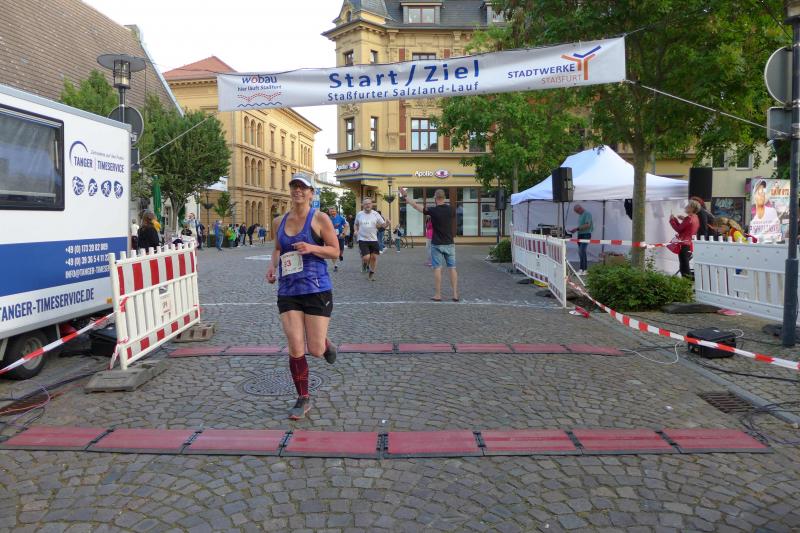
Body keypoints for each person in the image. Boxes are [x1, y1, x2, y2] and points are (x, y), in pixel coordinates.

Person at [266, 174, 339, 420]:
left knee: (315, 349)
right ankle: (303, 397)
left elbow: (335, 251)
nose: (298, 190)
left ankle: (326, 345)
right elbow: (278, 249)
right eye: (294, 186)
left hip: (316, 288)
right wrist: (272, 266)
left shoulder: (319, 218)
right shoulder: (279, 221)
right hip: (288, 291)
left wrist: (312, 248)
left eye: (303, 187)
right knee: (296, 345)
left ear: (311, 193)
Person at [400, 188, 460, 301]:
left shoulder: (433, 211)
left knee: (437, 268)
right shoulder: (452, 210)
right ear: (445, 198)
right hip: (449, 243)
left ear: (435, 198)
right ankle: (455, 294)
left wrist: (405, 196)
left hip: (437, 243)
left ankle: (438, 295)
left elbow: (415, 206)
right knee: (452, 268)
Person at [354, 198, 387, 281]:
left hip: (373, 239)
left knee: (374, 257)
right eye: (365, 204)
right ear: (363, 205)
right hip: (362, 239)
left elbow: (383, 225)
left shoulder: (376, 214)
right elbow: (356, 224)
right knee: (366, 257)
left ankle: (371, 274)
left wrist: (387, 223)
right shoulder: (359, 214)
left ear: (371, 204)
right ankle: (365, 264)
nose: (367, 205)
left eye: (369, 203)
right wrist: (355, 231)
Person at [669, 199, 701, 279]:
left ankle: (687, 282)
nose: (686, 207)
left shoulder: (688, 218)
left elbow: (679, 229)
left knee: (684, 266)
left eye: (688, 206)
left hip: (684, 244)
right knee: (685, 265)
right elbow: (684, 228)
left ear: (692, 208)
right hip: (690, 244)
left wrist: (672, 220)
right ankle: (687, 281)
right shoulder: (695, 217)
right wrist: (678, 220)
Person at [569, 204, 593, 275]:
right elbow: (581, 226)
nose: (577, 213)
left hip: (586, 234)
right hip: (580, 235)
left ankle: (584, 269)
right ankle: (581, 269)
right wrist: (576, 230)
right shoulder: (581, 215)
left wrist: (577, 229)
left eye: (577, 211)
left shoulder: (587, 214)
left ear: (580, 208)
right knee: (581, 252)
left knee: (582, 251)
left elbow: (587, 225)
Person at [328, 206, 349, 272]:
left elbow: (346, 225)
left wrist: (343, 233)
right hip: (331, 237)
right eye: (331, 211)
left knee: (341, 249)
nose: (332, 212)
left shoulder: (341, 218)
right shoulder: (327, 219)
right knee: (333, 251)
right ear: (329, 212)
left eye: (333, 211)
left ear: (336, 211)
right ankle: (335, 265)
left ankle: (340, 255)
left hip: (340, 236)